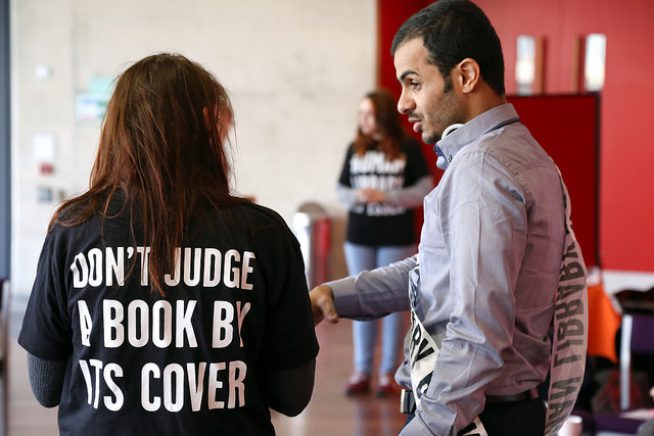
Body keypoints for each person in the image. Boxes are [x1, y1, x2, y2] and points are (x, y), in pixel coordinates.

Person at [311, 1, 587, 435]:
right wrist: (336, 294)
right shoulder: (519, 153)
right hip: (497, 413)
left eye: (414, 83)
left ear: (465, 76)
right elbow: (437, 275)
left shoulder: (483, 168)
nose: (403, 103)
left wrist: (426, 428)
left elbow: (478, 334)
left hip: (474, 419)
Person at [18, 53, 319, 436]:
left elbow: (45, 387)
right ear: (207, 129)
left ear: (117, 129)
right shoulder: (263, 234)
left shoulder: (72, 229)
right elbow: (291, 395)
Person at [337, 89, 432, 396]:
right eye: (361, 114)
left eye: (369, 113)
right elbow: (340, 190)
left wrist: (387, 197)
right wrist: (357, 197)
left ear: (383, 115)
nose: (363, 119)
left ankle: (388, 373)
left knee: (394, 305)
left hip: (396, 235)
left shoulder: (408, 147)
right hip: (359, 236)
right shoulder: (355, 148)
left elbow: (424, 189)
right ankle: (361, 370)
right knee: (358, 301)